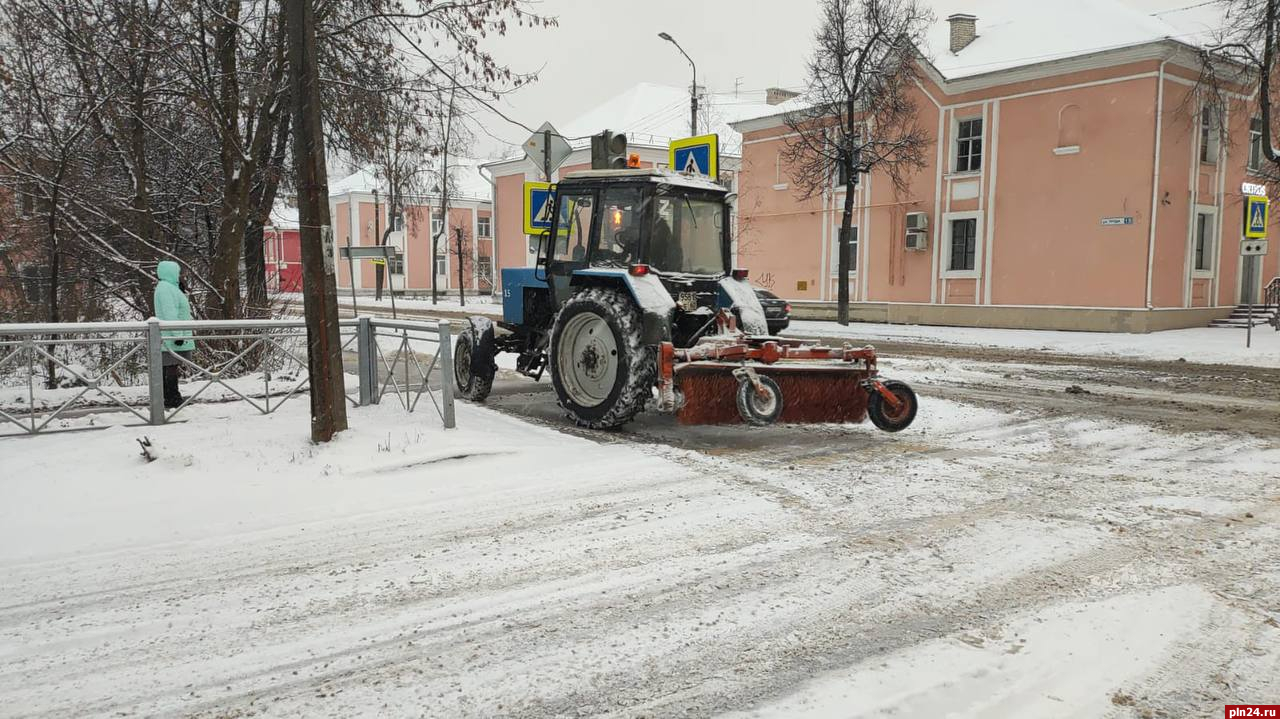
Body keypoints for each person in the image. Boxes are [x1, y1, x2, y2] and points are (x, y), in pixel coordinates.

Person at [153, 260, 195, 409]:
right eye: (177, 272)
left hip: (173, 334)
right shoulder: (165, 288)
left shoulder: (169, 287)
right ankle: (172, 398)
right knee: (170, 367)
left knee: (171, 367)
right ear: (169, 273)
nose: (179, 275)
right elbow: (170, 313)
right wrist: (177, 335)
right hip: (172, 336)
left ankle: (171, 397)